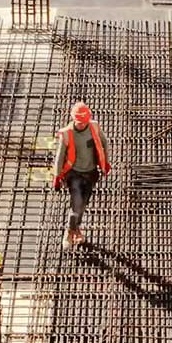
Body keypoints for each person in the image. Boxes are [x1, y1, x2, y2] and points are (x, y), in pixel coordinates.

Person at [53, 102, 111, 250]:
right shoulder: (67, 133)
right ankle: (69, 232)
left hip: (91, 173)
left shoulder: (94, 127)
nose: (80, 125)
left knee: (83, 204)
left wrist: (106, 162)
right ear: (73, 119)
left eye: (83, 122)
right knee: (76, 203)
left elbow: (105, 143)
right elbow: (60, 157)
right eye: (78, 122)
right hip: (74, 173)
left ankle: (75, 228)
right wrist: (57, 176)